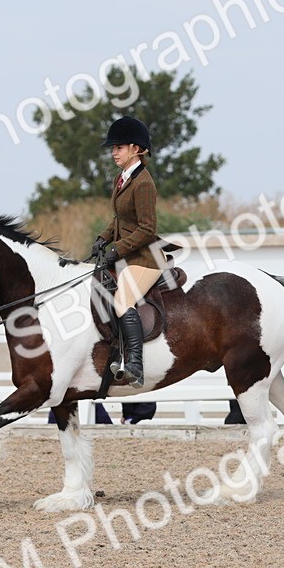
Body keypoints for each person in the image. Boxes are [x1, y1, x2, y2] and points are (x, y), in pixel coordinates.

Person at [89, 116, 163, 388]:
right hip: (127, 256)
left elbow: (146, 229)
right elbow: (119, 218)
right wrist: (102, 238)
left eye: (118, 147)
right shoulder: (122, 179)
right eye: (113, 148)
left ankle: (135, 365)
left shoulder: (144, 183)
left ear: (135, 148)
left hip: (145, 259)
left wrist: (117, 248)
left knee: (122, 302)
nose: (113, 152)